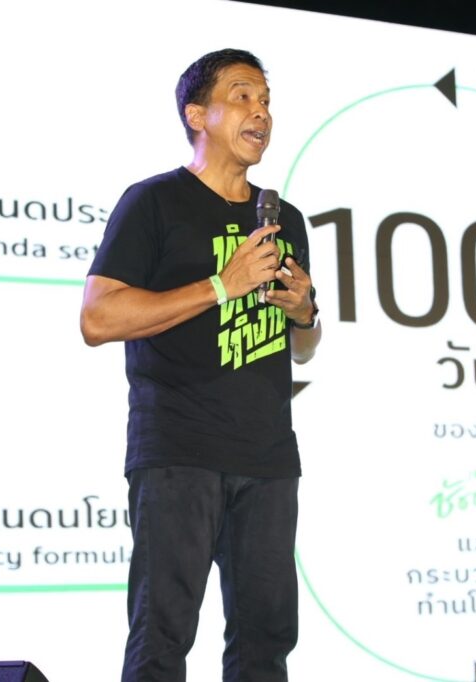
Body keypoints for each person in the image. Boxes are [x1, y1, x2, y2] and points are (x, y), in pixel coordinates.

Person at [80, 47, 321, 682]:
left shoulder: (284, 219)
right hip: (178, 451)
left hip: (268, 457)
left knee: (266, 644)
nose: (260, 112)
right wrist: (221, 285)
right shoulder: (154, 202)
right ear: (197, 115)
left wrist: (302, 311)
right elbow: (97, 318)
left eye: (265, 100)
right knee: (161, 639)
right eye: (242, 96)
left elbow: (302, 346)